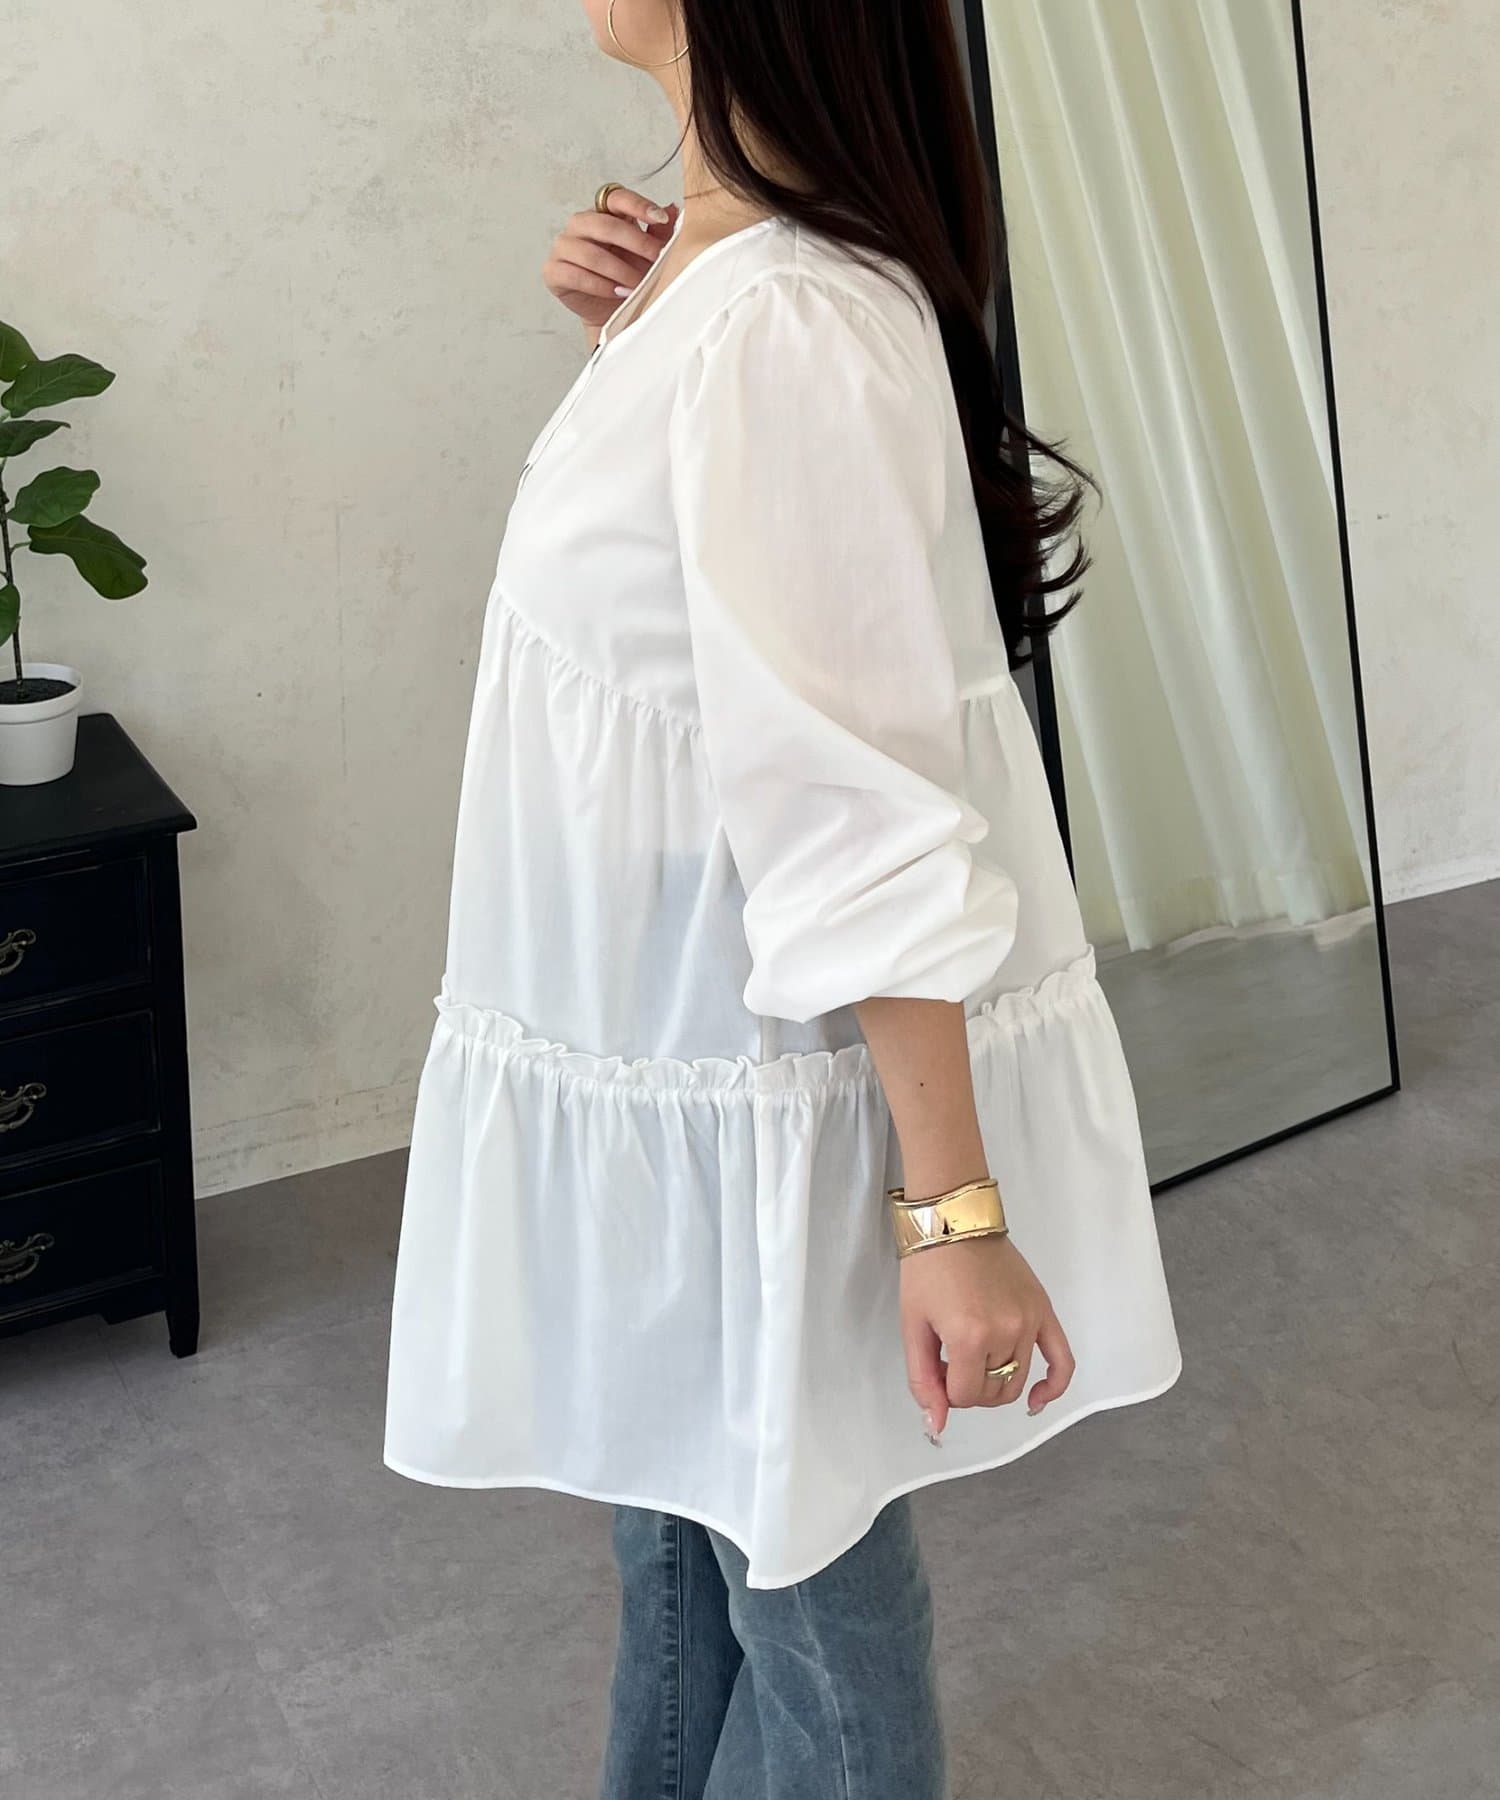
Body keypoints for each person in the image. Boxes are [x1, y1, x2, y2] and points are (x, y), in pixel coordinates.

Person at [383, 2, 1181, 1794]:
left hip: (753, 1076)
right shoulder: (711, 291)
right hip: (672, 1052)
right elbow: (672, 667)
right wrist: (628, 343)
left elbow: (857, 798)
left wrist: (951, 1215)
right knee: (682, 1536)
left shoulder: (787, 322)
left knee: (810, 1600)